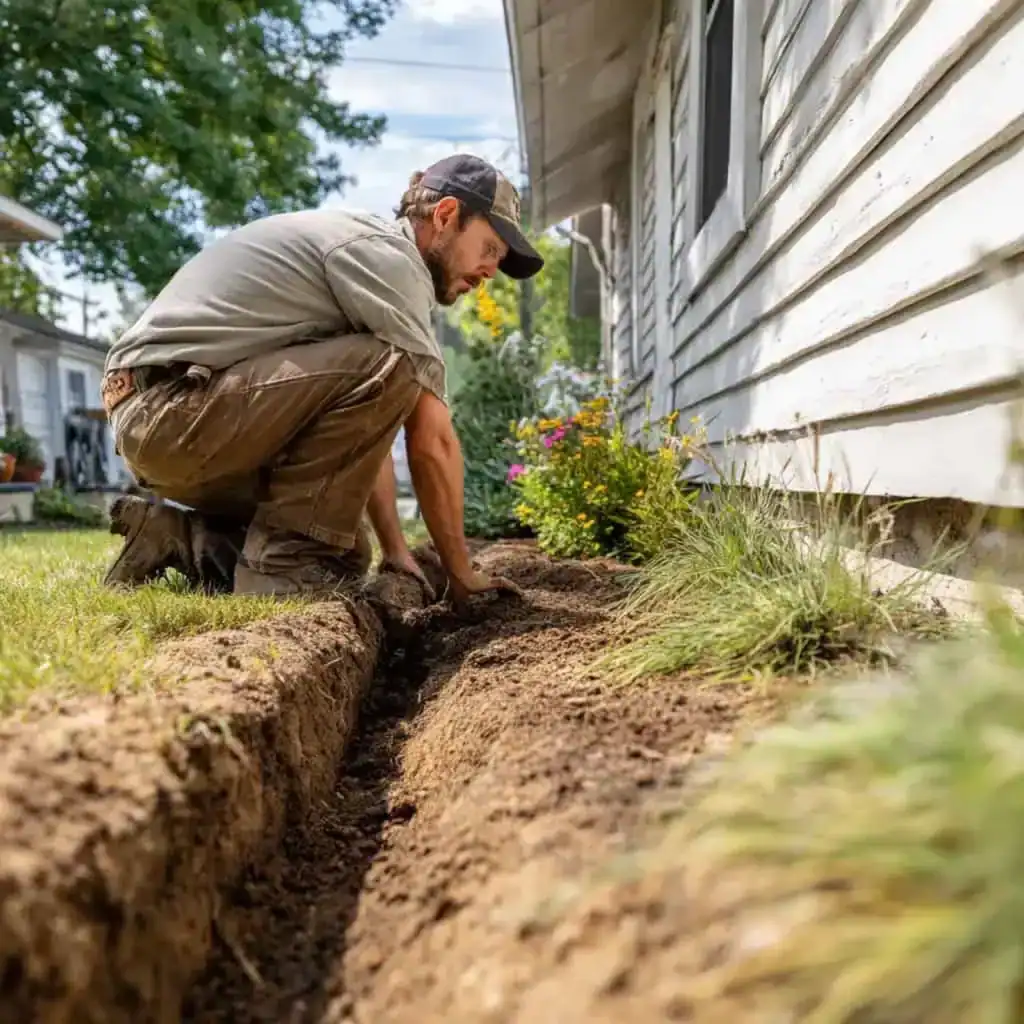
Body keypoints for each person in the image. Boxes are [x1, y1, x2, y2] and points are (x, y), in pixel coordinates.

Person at [99, 153, 543, 603]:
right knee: (398, 365)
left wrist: (394, 551)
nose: (490, 272)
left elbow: (367, 433)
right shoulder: (389, 260)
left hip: (161, 420)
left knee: (340, 549)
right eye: (489, 249)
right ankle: (278, 573)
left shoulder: (368, 267)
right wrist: (461, 573)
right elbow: (432, 438)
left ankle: (176, 539)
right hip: (169, 409)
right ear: (446, 214)